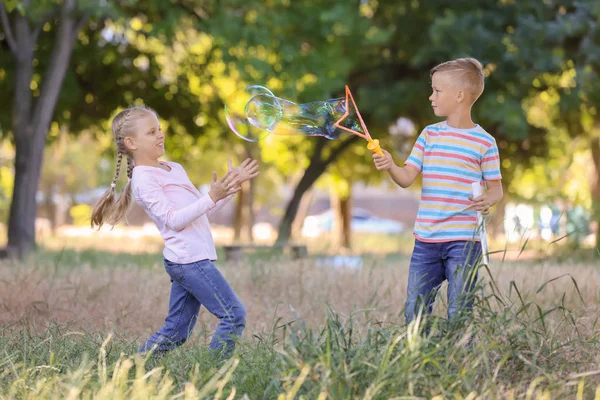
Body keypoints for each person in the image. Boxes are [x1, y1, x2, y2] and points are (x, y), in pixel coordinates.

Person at [91, 105, 259, 355]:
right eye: (151, 132)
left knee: (177, 331)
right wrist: (211, 197)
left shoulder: (175, 169)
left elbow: (200, 213)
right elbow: (174, 220)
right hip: (187, 261)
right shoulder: (144, 179)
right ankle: (213, 378)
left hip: (191, 258)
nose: (160, 134)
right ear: (131, 142)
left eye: (159, 129)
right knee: (234, 315)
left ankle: (133, 368)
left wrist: (227, 189)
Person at [373, 58, 503, 324]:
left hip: (465, 242)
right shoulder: (429, 135)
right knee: (415, 311)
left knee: (459, 312)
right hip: (427, 241)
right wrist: (390, 165)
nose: (431, 97)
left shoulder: (484, 142)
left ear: (459, 95)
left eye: (437, 90)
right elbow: (407, 177)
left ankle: (460, 359)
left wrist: (487, 201)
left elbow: (496, 189)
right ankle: (417, 357)